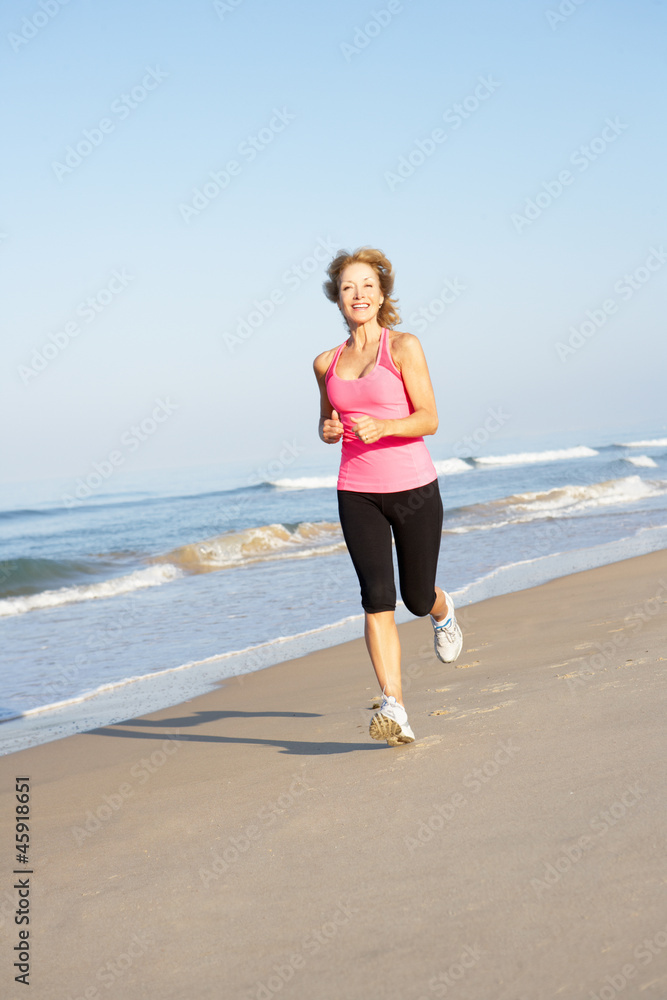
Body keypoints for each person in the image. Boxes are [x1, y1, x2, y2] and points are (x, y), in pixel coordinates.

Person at [313, 247, 463, 747]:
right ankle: (394, 706)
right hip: (356, 492)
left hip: (414, 490)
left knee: (414, 598)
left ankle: (442, 610)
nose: (358, 294)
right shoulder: (325, 363)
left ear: (381, 296)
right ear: (337, 297)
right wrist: (330, 429)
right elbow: (324, 423)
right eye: (349, 287)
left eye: (367, 286)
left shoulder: (403, 348)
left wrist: (386, 427)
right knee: (377, 599)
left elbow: (430, 418)